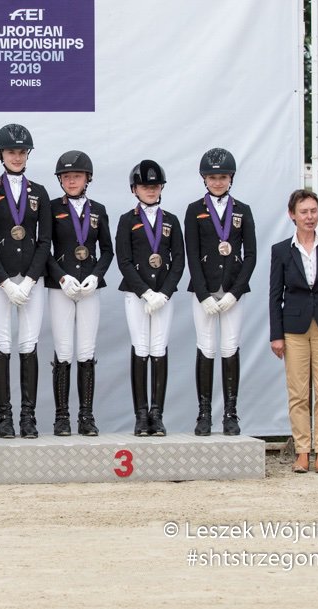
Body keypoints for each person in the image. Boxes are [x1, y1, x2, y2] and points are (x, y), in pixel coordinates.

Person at [270, 189, 318, 474]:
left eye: (313, 211)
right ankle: (303, 452)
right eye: (303, 212)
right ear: (292, 215)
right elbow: (274, 295)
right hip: (293, 329)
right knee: (298, 392)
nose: (309, 217)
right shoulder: (281, 250)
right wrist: (276, 335)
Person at [0, 125, 51, 438]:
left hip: (31, 279)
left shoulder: (40, 192)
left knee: (28, 343)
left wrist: (30, 279)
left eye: (22, 152)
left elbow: (45, 240)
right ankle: (4, 417)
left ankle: (28, 417)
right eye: (12, 152)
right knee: (2, 343)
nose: (17, 157)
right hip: (0, 279)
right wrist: (5, 282)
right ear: (2, 154)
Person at [184, 148, 256, 436]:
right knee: (206, 347)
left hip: (232, 291)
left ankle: (230, 413)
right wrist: (203, 295)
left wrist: (235, 293)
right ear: (204, 179)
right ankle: (204, 414)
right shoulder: (194, 210)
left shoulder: (242, 210)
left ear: (231, 178)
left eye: (222, 177)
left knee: (229, 347)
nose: (217, 182)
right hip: (204, 290)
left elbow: (250, 255)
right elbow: (192, 254)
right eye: (212, 177)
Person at [45, 150, 113, 438]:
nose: (71, 181)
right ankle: (61, 417)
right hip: (62, 286)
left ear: (88, 178)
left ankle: (86, 416)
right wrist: (61, 276)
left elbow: (107, 250)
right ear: (60, 180)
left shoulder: (98, 210)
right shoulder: (51, 208)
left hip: (89, 288)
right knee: (63, 351)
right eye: (66, 176)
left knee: (86, 351)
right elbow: (44, 247)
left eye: (77, 176)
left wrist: (97, 276)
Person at [115, 160, 184, 437]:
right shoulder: (127, 220)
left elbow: (178, 260)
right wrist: (145, 292)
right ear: (135, 189)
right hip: (137, 294)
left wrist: (164, 293)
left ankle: (157, 414)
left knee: (159, 348)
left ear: (161, 188)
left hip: (163, 295)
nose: (151, 190)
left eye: (155, 186)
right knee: (141, 348)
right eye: (145, 186)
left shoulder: (171, 220)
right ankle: (141, 416)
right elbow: (124, 260)